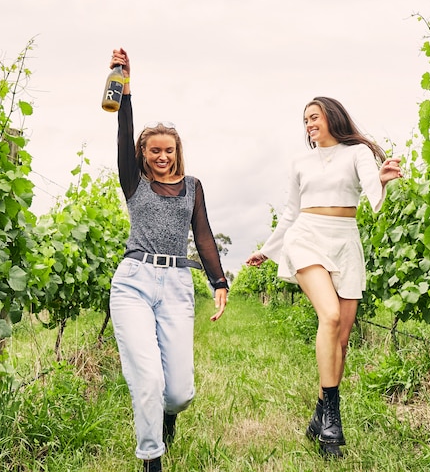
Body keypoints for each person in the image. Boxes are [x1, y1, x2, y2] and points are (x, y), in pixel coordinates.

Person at [245, 96, 402, 459]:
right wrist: (267, 250)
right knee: (329, 316)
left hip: (346, 240)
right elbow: (290, 213)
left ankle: (319, 414)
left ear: (331, 117)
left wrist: (382, 181)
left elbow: (372, 197)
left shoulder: (357, 153)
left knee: (342, 339)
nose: (309, 125)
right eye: (305, 120)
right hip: (307, 236)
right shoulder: (300, 161)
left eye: (314, 117)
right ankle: (333, 419)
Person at [107, 48, 229, 472]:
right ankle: (151, 458)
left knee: (177, 393)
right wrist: (123, 82)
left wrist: (219, 282)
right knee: (148, 378)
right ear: (144, 154)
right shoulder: (134, 183)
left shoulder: (193, 187)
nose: (162, 156)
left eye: (169, 151)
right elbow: (124, 131)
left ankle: (167, 418)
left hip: (177, 284)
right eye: (155, 150)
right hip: (134, 282)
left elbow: (204, 235)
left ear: (177, 153)